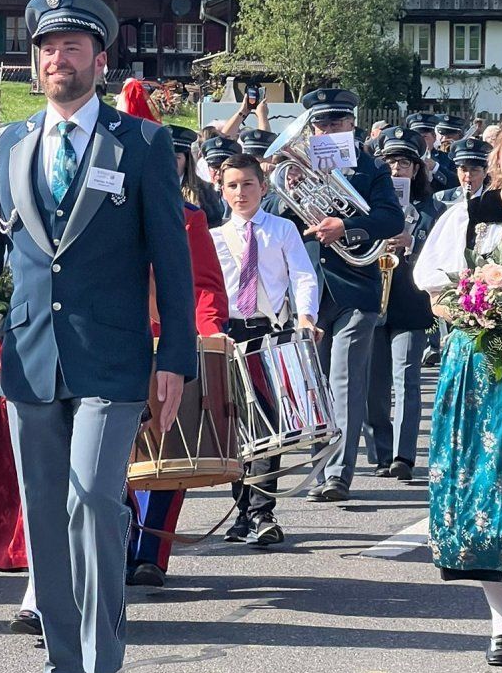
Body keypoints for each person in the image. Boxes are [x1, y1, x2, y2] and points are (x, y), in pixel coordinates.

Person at [0, 0, 197, 673]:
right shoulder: (12, 145)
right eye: (48, 47)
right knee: (46, 515)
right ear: (35, 59)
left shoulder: (142, 145)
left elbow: (172, 263)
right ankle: (63, 669)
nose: (59, 58)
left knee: (92, 498)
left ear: (100, 59)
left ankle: (104, 666)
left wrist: (174, 356)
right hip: (29, 359)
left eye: (74, 46)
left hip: (115, 362)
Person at [414, 114, 502, 673]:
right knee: (482, 494)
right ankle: (500, 625)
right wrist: (471, 309)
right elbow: (433, 290)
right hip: (479, 369)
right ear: (497, 159)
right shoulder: (467, 215)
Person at [115, 81, 229, 586]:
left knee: (170, 452)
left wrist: (206, 337)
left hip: (167, 345)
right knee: (111, 455)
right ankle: (114, 541)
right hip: (114, 345)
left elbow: (205, 287)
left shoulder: (189, 218)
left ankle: (150, 554)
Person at [289, 89, 404, 503]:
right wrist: (289, 190)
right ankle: (321, 469)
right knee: (314, 388)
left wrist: (348, 227)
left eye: (336, 124)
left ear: (351, 125)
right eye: (320, 124)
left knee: (344, 383)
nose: (327, 131)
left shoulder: (372, 168)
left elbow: (391, 216)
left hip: (356, 284)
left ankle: (338, 473)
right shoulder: (297, 168)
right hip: (310, 289)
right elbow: (272, 211)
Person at [212, 154, 319, 546]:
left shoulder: (282, 229)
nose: (241, 193)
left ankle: (262, 511)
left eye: (249, 185)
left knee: (269, 426)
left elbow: (303, 274)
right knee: (235, 425)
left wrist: (306, 316)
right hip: (226, 335)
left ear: (263, 187)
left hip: (268, 333)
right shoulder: (215, 237)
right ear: (222, 190)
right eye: (233, 186)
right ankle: (240, 511)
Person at [363, 127, 438, 483]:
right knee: (374, 385)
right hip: (370, 301)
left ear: (417, 169)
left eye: (405, 162)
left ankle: (403, 455)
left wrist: (411, 245)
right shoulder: (369, 205)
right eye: (390, 161)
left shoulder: (432, 211)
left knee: (405, 378)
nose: (397, 169)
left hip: (408, 304)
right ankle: (381, 451)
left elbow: (439, 259)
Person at [434, 136, 489, 210]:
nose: (468, 175)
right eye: (463, 170)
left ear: (485, 172)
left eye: (474, 170)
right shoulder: (441, 199)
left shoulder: (495, 201)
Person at [405, 112, 453, 192]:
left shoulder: (447, 159)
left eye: (425, 137)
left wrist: (435, 167)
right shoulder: (405, 160)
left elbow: (456, 184)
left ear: (434, 137)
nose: (420, 141)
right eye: (417, 137)